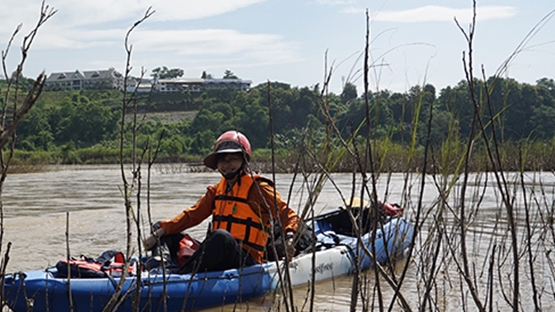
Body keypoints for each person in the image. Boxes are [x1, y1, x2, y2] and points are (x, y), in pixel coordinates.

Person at [145, 130, 299, 274]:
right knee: (162, 227)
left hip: (245, 260)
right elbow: (192, 215)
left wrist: (289, 237)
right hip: (219, 253)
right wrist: (160, 232)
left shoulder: (259, 189)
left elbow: (288, 214)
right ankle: (160, 269)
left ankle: (182, 274)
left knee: (221, 237)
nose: (227, 165)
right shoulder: (217, 190)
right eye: (222, 160)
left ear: (244, 161)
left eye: (233, 159)